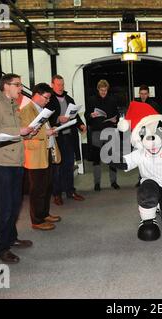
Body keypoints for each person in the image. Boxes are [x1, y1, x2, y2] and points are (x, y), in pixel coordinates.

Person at [0, 73, 34, 264]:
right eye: (17, 85)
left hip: (16, 161)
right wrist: (18, 131)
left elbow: (16, 133)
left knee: (15, 205)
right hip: (2, 163)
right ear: (6, 86)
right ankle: (0, 248)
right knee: (4, 208)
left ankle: (10, 238)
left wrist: (28, 133)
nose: (21, 88)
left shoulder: (14, 106)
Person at [19, 83, 62, 231]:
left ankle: (44, 214)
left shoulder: (41, 109)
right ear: (36, 94)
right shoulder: (25, 111)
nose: (48, 100)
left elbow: (42, 129)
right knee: (37, 189)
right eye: (46, 97)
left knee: (47, 186)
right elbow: (25, 133)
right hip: (35, 155)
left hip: (47, 152)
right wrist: (47, 133)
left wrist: (51, 130)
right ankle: (36, 220)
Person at [47, 75, 86, 206]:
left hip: (69, 137)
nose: (60, 87)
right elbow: (45, 118)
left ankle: (70, 191)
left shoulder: (69, 98)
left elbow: (75, 116)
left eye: (62, 84)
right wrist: (58, 119)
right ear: (52, 85)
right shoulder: (49, 99)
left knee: (69, 166)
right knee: (56, 167)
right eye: (58, 85)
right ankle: (57, 194)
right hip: (56, 138)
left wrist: (81, 125)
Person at [85, 79, 120, 191]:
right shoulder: (91, 100)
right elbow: (87, 116)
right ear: (98, 89)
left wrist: (116, 119)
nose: (104, 92)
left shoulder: (112, 100)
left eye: (105, 90)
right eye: (102, 90)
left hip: (110, 130)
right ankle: (97, 183)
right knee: (96, 158)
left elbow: (117, 114)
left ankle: (114, 182)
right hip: (97, 131)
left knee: (112, 157)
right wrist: (91, 115)